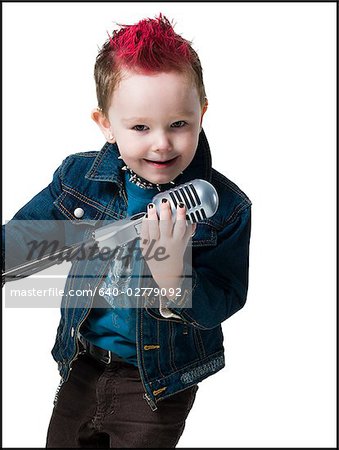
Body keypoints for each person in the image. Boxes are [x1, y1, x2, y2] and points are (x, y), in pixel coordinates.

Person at [2, 13, 252, 448]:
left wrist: (176, 279)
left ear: (202, 113)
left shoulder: (226, 209)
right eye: (140, 127)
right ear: (106, 124)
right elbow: (18, 243)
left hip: (158, 381)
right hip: (82, 365)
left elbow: (225, 299)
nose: (161, 143)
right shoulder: (79, 180)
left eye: (179, 124)